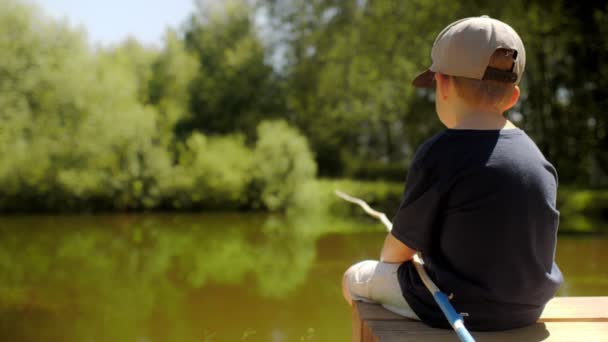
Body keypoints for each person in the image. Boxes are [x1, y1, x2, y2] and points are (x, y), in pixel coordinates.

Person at [342, 15, 563, 331]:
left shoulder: (440, 153)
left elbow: (396, 253)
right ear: (514, 96)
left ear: (442, 84)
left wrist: (404, 261)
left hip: (453, 306)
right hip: (527, 308)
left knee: (353, 277)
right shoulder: (537, 158)